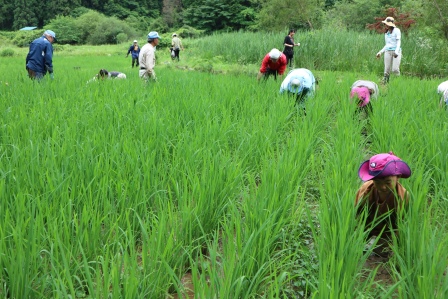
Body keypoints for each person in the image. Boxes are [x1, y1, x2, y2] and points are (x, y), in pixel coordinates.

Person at [355, 152, 412, 257]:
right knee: (358, 249)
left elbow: (402, 225)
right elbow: (357, 214)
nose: (383, 187)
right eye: (377, 182)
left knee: (382, 253)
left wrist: (397, 244)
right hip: (366, 228)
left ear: (398, 177)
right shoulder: (366, 190)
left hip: (387, 232)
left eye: (387, 182)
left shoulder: (402, 197)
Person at [376, 17, 402, 84]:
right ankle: (385, 83)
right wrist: (380, 52)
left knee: (395, 69)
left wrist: (396, 52)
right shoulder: (386, 33)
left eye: (387, 24)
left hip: (396, 51)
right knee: (386, 69)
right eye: (385, 24)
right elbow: (387, 45)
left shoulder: (397, 30)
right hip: (388, 51)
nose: (386, 25)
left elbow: (398, 42)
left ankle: (398, 82)